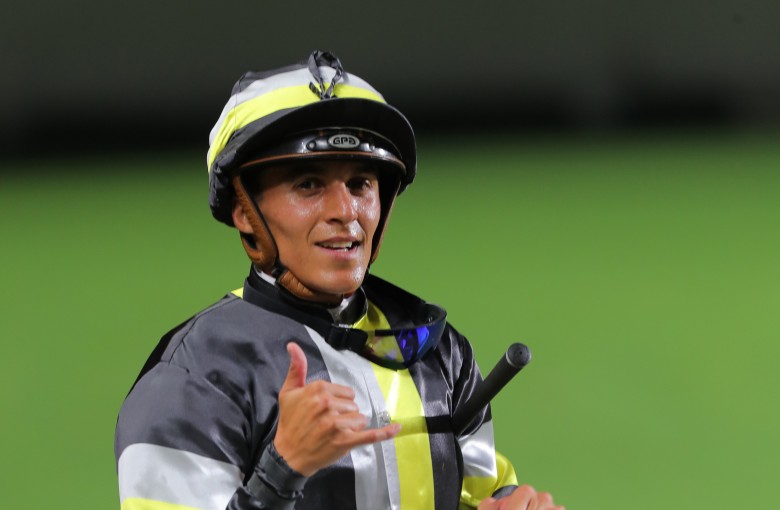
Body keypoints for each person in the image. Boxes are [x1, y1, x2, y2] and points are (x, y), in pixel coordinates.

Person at [114, 50, 564, 510]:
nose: (345, 212)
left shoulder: (438, 353)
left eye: (360, 184)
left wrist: (510, 503)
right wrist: (280, 470)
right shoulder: (192, 378)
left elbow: (479, 491)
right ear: (244, 213)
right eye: (308, 184)